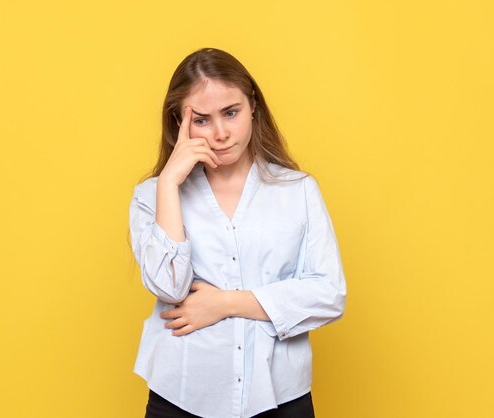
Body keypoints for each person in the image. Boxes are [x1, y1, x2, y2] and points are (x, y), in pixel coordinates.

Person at [128, 47, 347, 418]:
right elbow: (169, 287)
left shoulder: (298, 190)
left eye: (231, 113)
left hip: (280, 395)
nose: (220, 133)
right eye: (201, 119)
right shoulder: (151, 197)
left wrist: (225, 304)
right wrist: (168, 184)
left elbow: (328, 294)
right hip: (181, 397)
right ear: (178, 122)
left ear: (253, 107)